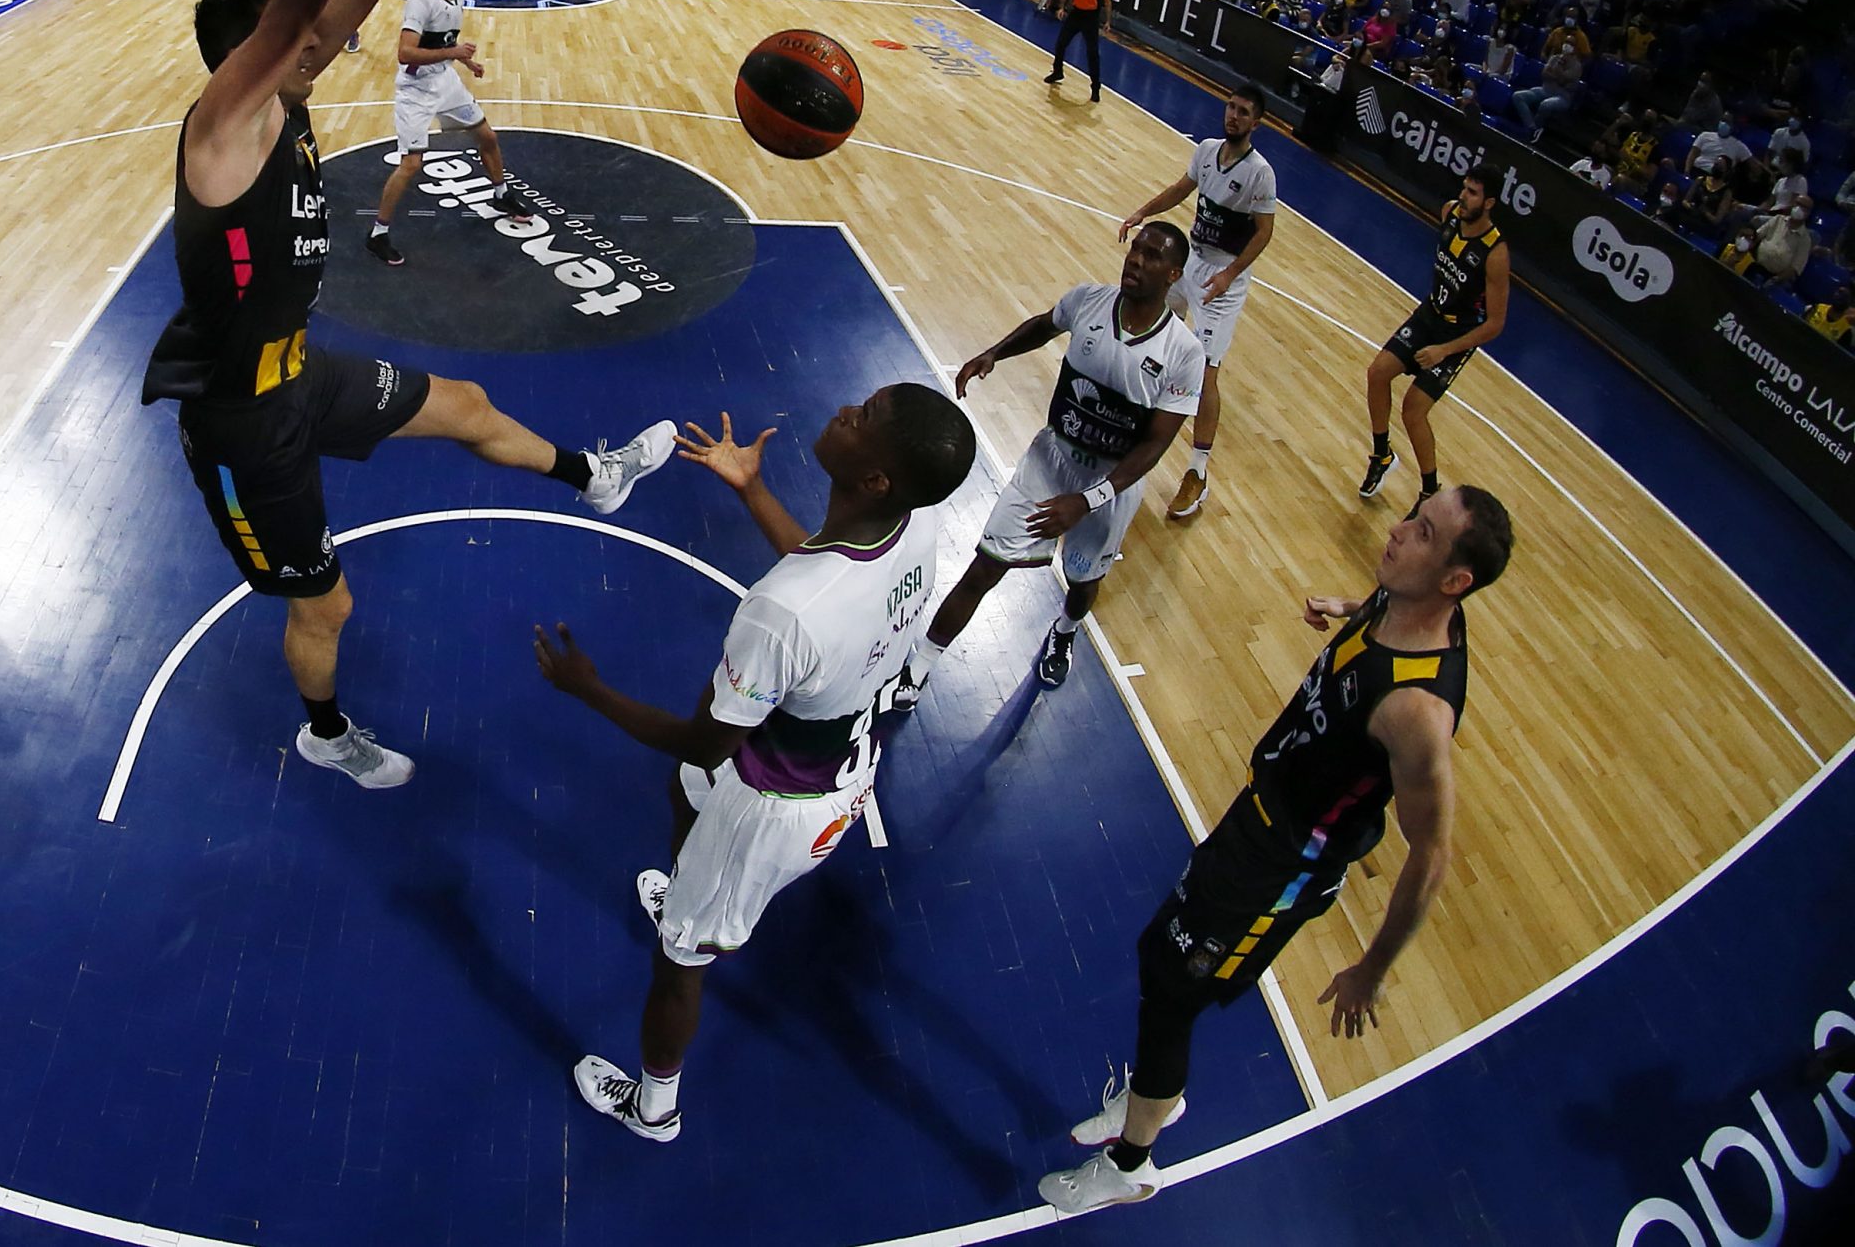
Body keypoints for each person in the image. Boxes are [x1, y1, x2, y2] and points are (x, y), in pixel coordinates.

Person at [139, 0, 678, 790]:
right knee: (328, 605)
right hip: (242, 428)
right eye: (300, 34)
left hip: (296, 374)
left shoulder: (288, 101)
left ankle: (593, 478)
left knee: (465, 403)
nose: (324, 40)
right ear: (251, 52)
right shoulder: (222, 124)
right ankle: (325, 731)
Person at [1040, 487, 1513, 1214]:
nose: (1397, 532)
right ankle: (1154, 1096)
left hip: (1281, 867)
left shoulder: (1417, 712)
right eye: (1412, 517)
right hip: (1256, 816)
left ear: (1455, 580)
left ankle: (1132, 1163)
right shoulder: (1403, 597)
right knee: (1158, 959)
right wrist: (1348, 608)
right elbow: (1384, 615)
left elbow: (1432, 854)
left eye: (1423, 532)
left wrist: (1371, 969)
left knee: (1171, 993)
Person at [534, 388, 978, 1142]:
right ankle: (686, 891)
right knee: (686, 789)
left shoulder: (780, 614)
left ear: (876, 479)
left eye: (863, 420)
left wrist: (591, 690)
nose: (845, 410)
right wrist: (753, 489)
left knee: (679, 963)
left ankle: (655, 1107)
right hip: (837, 756)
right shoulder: (917, 522)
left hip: (773, 808)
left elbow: (705, 740)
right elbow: (829, 580)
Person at [915, 223, 1204, 695]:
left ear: (1174, 274)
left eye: (1152, 256)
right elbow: (1045, 325)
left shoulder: (1184, 353)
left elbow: (1155, 445)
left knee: (1082, 580)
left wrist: (1088, 500)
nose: (1136, 259)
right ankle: (919, 665)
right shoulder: (1089, 300)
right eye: (1135, 249)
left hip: (1111, 482)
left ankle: (1065, 632)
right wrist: (994, 353)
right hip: (1050, 458)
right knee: (986, 564)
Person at [1118, 85, 1278, 519]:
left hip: (1222, 278)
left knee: (1206, 375)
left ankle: (1198, 473)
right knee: (1150, 333)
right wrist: (1143, 212)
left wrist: (1229, 274)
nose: (1233, 116)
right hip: (1190, 262)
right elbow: (1181, 188)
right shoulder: (1207, 150)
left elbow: (1264, 232)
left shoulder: (1260, 174)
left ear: (1256, 123)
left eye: (1243, 112)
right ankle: (1135, 423)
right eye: (1231, 107)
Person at [367, 0, 528, 265]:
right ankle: (378, 234)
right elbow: (405, 53)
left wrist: (467, 62)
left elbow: (445, 40)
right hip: (416, 91)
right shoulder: (420, 3)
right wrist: (454, 53)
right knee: (411, 164)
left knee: (487, 137)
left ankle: (501, 195)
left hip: (446, 81)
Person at [1360, 166, 1511, 511]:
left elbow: (1495, 324)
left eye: (1472, 193)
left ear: (1489, 202)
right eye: (1464, 188)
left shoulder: (1495, 253)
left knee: (1414, 410)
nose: (1463, 196)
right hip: (1430, 314)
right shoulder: (1450, 213)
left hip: (1457, 334)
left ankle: (1429, 491)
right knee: (1377, 373)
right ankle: (1382, 456)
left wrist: (1444, 350)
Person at [1043, 0, 1112, 102]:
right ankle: (1057, 71)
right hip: (1076, 14)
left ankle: (1096, 87)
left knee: (1092, 53)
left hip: (1091, 17)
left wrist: (1108, 21)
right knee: (1061, 43)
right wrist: (1061, 7)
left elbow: (1107, 0)